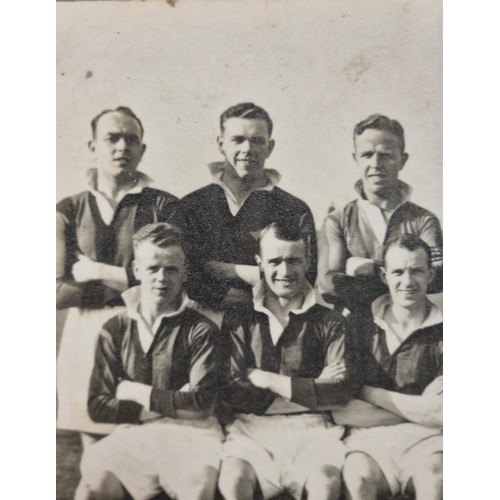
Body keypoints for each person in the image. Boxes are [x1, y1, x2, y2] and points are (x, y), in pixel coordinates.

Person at [56, 106, 182, 446]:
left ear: (143, 149)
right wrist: (135, 282)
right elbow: (56, 292)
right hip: (87, 336)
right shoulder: (68, 209)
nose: (122, 147)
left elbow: (175, 282)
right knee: (96, 460)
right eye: (112, 138)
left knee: (149, 446)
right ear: (92, 146)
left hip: (149, 332)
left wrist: (97, 272)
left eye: (131, 139)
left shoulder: (164, 207)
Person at [75, 223, 223, 500]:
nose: (161, 278)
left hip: (194, 436)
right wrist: (173, 402)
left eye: (171, 269)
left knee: (198, 490)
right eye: (153, 268)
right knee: (92, 490)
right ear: (136, 269)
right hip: (134, 433)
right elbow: (98, 407)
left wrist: (133, 392)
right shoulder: (115, 328)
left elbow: (201, 406)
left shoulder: (201, 329)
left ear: (185, 273)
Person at [218, 220, 358, 500]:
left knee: (326, 484)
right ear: (259, 262)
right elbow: (232, 389)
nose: (284, 271)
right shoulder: (239, 319)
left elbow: (340, 391)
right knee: (234, 481)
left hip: (312, 429)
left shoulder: (330, 321)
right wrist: (313, 388)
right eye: (274, 261)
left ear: (307, 262)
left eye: (294, 260)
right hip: (250, 428)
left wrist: (267, 379)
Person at [332, 234, 443, 500]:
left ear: (430, 274)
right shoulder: (357, 326)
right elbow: (342, 412)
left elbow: (443, 414)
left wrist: (368, 393)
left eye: (417, 271)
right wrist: (420, 407)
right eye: (398, 272)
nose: (407, 281)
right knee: (358, 482)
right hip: (367, 439)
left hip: (426, 440)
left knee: (436, 483)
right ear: (384, 276)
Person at [181, 102, 317, 310]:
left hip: (271, 322)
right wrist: (253, 278)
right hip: (206, 320)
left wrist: (219, 269)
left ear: (269, 147)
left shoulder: (295, 209)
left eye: (257, 141)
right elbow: (185, 274)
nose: (247, 149)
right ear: (220, 144)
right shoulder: (193, 204)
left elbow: (304, 278)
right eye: (238, 140)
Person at [318, 114, 442, 313]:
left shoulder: (424, 220)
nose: (376, 164)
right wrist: (407, 272)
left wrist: (365, 268)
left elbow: (437, 278)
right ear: (355, 159)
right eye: (367, 155)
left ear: (402, 160)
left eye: (386, 155)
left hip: (411, 332)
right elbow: (329, 285)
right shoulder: (337, 220)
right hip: (357, 332)